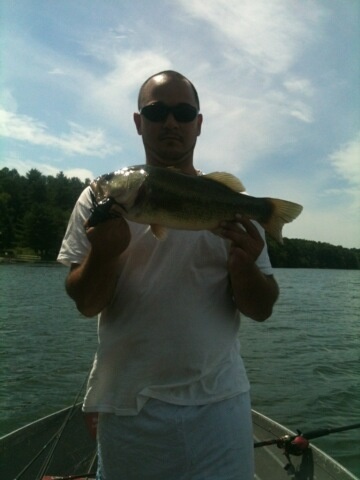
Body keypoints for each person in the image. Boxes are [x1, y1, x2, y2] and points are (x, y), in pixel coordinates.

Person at [58, 70, 279, 480]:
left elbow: (261, 309)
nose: (171, 122)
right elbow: (87, 305)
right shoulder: (98, 199)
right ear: (139, 122)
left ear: (198, 123)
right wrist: (104, 256)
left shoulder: (232, 206)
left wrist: (244, 267)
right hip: (128, 409)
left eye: (183, 111)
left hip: (220, 406)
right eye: (157, 112)